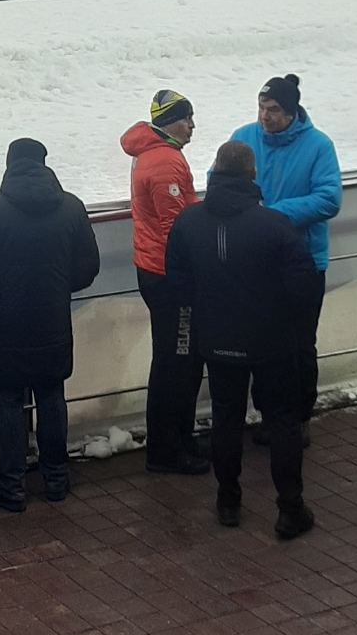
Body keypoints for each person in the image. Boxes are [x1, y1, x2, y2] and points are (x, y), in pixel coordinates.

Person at [166, 141, 318, 539]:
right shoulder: (275, 225)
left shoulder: (188, 222)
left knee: (226, 418)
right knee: (283, 422)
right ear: (253, 175)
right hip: (272, 342)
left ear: (215, 171)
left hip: (217, 338)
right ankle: (290, 509)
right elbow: (303, 287)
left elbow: (177, 281)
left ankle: (228, 500)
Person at [0, 138, 100, 512]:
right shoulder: (71, 208)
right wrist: (57, 287)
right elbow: (88, 267)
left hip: (2, 326)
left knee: (8, 399)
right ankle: (55, 478)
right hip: (51, 320)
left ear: (9, 165)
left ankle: (11, 484)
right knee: (52, 395)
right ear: (44, 164)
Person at [231, 74, 341, 441]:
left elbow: (329, 198)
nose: (265, 116)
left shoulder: (318, 146)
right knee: (262, 342)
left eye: (274, 109)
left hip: (303, 264)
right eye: (261, 108)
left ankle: (298, 418)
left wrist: (272, 215)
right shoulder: (243, 138)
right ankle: (269, 415)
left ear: (292, 111)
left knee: (299, 345)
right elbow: (221, 180)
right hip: (256, 264)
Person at [120, 91, 209, 475]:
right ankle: (166, 449)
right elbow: (177, 229)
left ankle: (178, 438)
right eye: (187, 118)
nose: (192, 126)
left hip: (154, 268)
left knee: (178, 359)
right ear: (170, 121)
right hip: (171, 277)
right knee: (178, 363)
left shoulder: (154, 152)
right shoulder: (165, 162)